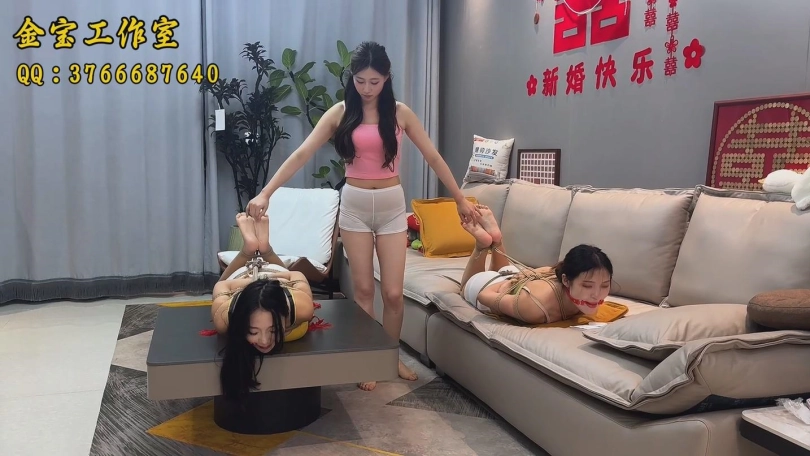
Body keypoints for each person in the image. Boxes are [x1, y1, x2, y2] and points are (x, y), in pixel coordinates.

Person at [246, 41, 478, 391]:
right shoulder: (340, 113)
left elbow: (432, 156)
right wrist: (266, 192)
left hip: (390, 205)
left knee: (394, 294)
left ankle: (389, 356)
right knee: (365, 290)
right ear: (351, 78)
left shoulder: (400, 113)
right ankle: (368, 358)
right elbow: (302, 154)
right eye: (360, 81)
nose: (367, 89)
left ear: (387, 78)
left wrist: (459, 198)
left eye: (374, 82)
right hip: (354, 205)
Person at [211, 212, 315, 402]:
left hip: (272, 277)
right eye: (253, 331)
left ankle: (253, 249)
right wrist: (251, 282)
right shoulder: (227, 317)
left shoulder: (299, 307)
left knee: (222, 282)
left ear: (285, 317)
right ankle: (257, 248)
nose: (265, 341)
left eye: (274, 330)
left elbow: (221, 286)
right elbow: (222, 286)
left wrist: (270, 279)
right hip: (244, 278)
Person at [459, 204, 614, 324]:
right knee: (464, 288)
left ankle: (496, 240)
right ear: (566, 281)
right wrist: (509, 282)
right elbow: (483, 295)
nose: (597, 294)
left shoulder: (566, 280)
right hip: (489, 285)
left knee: (506, 272)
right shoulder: (534, 307)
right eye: (587, 286)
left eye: (605, 285)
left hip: (514, 276)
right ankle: (482, 244)